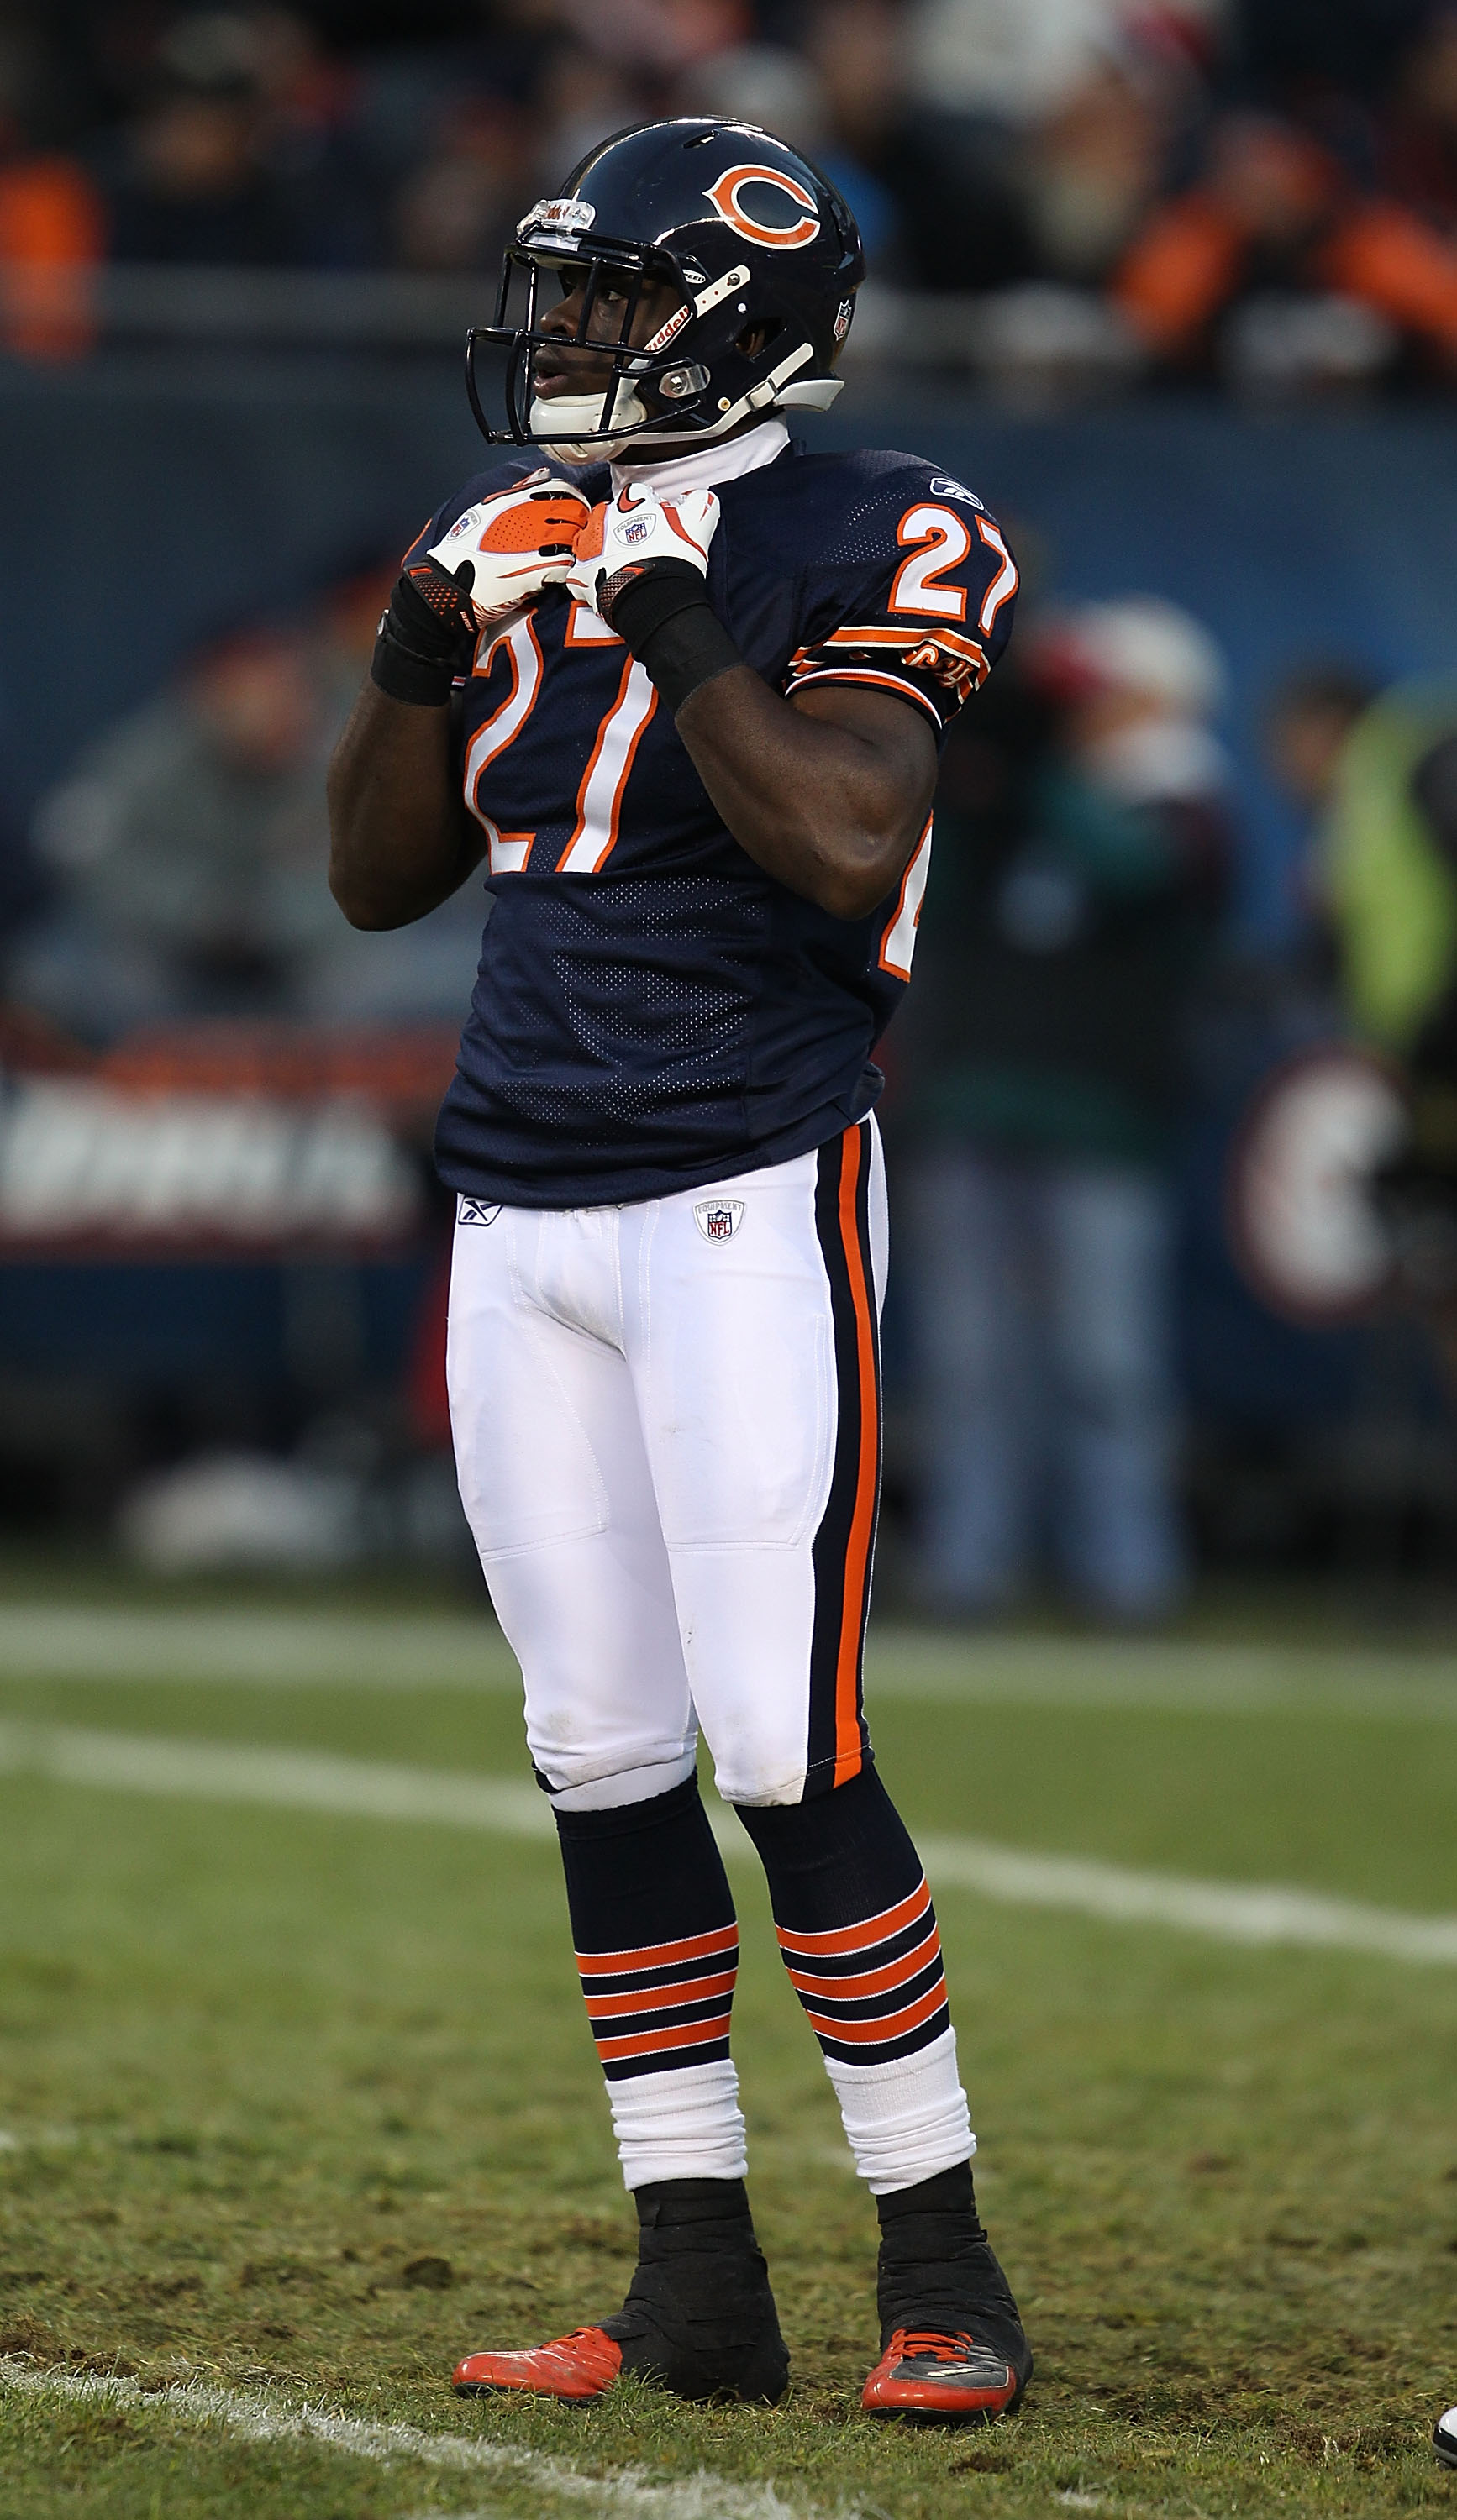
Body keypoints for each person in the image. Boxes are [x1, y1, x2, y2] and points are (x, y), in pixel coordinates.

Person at [327, 118, 1029, 2423]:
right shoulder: (498, 524)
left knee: (777, 1741)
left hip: (744, 1190)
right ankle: (693, 2284)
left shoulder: (885, 521)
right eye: (565, 293)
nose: (571, 337)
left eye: (615, 297)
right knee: (596, 1752)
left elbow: (839, 839)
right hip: (515, 1202)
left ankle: (942, 2278)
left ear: (749, 317)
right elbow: (372, 877)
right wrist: (425, 649)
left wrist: (659, 608)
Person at [897, 598, 1232, 1620]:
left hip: (1103, 1117)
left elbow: (1131, 878)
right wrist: (979, 778)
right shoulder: (1006, 803)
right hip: (975, 1099)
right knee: (970, 1359)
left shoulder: (1186, 807)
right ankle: (970, 1567)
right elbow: (929, 903)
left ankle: (1127, 1577)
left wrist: (1038, 765)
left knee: (1105, 1361)